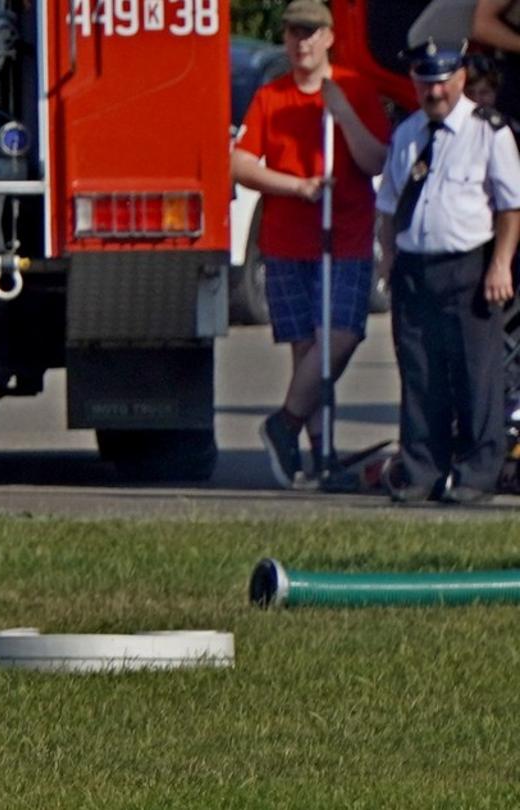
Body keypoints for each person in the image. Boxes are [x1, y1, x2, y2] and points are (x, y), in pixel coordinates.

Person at [231, 0, 390, 489]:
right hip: (288, 240)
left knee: (339, 337)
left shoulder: (355, 90)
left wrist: (343, 116)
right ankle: (321, 453)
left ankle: (285, 423)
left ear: (328, 38)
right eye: (293, 33)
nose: (301, 42)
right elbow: (240, 164)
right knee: (308, 351)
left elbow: (376, 160)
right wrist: (297, 186)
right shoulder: (271, 96)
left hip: (346, 237)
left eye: (310, 33)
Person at [377, 40, 520, 504]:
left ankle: (477, 473)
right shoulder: (408, 133)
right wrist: (388, 257)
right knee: (420, 373)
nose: (434, 91)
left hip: (469, 268)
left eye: (441, 81)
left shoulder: (489, 132)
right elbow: (388, 206)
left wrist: (500, 264)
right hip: (414, 268)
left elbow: (510, 207)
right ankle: (422, 470)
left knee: (476, 375)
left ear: (460, 78)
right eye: (425, 81)